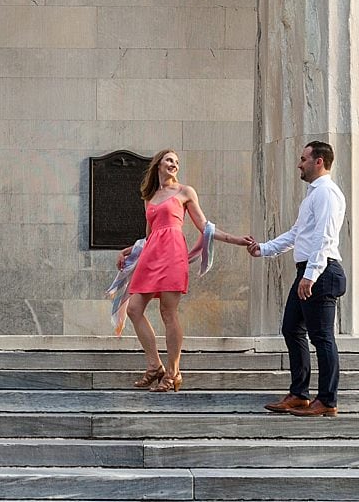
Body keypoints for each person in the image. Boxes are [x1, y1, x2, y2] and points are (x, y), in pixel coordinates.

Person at [120, 149, 250, 392]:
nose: (174, 164)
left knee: (168, 312)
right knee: (134, 308)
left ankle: (173, 373)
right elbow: (150, 235)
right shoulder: (149, 197)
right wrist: (131, 251)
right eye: (169, 160)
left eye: (177, 162)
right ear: (158, 164)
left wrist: (235, 240)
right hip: (151, 256)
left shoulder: (185, 192)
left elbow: (205, 227)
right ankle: (154, 366)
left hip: (172, 255)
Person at [244, 140, 347, 417]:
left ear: (319, 162)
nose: (299, 164)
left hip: (320, 272)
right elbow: (296, 234)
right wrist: (263, 249)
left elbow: (324, 237)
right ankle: (299, 395)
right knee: (291, 328)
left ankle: (327, 400)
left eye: (303, 159)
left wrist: (311, 275)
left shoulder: (326, 193)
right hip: (308, 272)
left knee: (322, 337)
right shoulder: (313, 195)